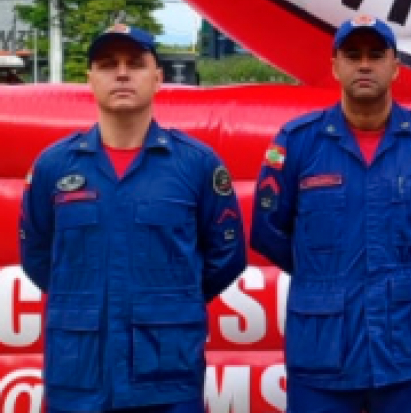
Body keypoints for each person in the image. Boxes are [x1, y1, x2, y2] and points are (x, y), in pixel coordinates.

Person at [250, 14, 411, 413]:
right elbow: (268, 231)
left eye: (376, 54)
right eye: (352, 55)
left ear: (395, 67)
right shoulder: (298, 142)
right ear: (335, 66)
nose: (364, 64)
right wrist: (323, 274)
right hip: (322, 350)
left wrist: (407, 272)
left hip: (404, 348)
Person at [20, 24, 248, 413]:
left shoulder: (195, 164)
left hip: (166, 376)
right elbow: (39, 259)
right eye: (108, 65)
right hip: (79, 376)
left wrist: (173, 301)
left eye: (136, 64)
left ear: (158, 78)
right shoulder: (53, 166)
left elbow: (226, 256)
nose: (122, 73)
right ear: (89, 79)